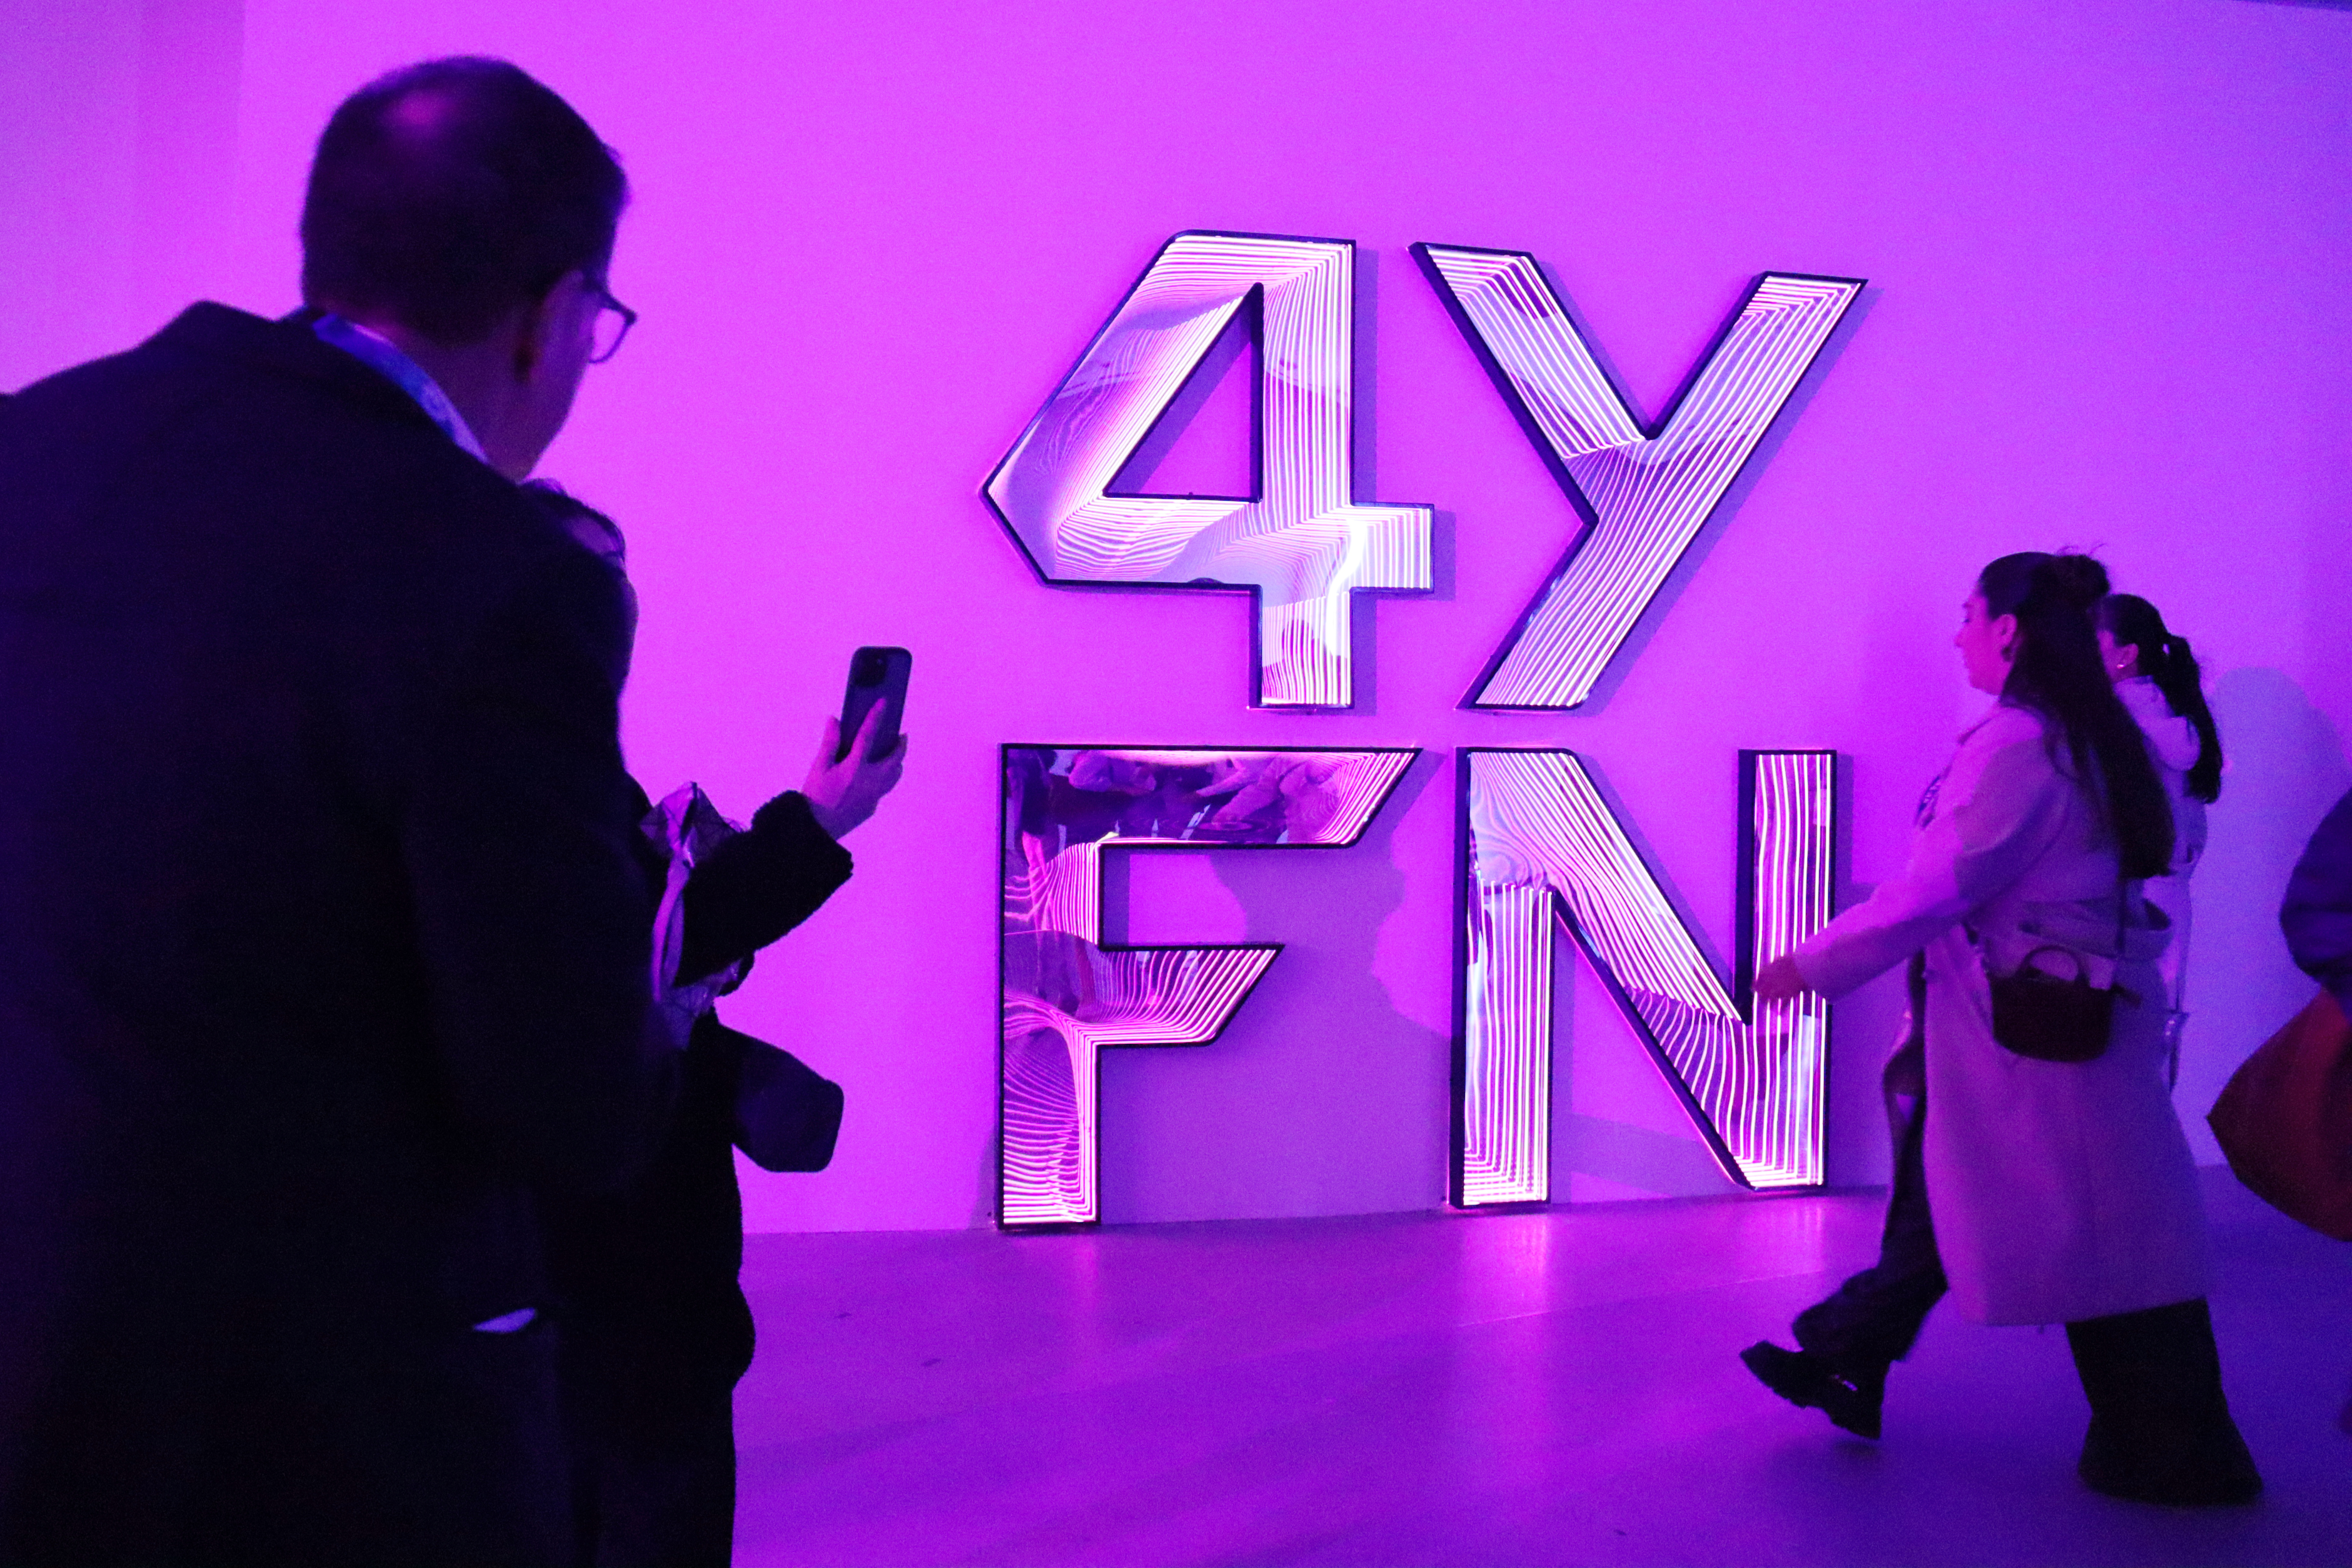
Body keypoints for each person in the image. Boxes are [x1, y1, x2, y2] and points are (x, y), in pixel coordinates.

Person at [1, 58, 673, 1566]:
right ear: (550, 314)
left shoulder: (28, 449)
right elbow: (561, 1092)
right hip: (301, 1415)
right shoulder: (500, 578)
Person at [1739, 552, 2261, 1507]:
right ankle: (1852, 1354)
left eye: (1967, 615)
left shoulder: (2022, 743)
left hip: (2026, 1031)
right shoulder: (2082, 735)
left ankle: (2173, 1450)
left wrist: (1809, 964)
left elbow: (1937, 887)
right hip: (2048, 1023)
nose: (1956, 634)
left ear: (2009, 629)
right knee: (2063, 1217)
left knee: (2084, 1228)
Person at [522, 483, 905, 1568]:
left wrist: (815, 814)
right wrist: (821, 819)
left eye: (618, 574)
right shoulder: (501, 778)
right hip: (584, 1284)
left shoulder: (568, 766)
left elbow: (665, 934)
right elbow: (644, 941)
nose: (615, 603)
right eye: (587, 576)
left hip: (642, 1294)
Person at [2094, 591, 2224, 1050]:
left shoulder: (2112, 720)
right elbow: (2191, 830)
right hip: (2167, 896)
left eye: (2093, 639)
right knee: (2154, 1040)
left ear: (2125, 655)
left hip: (2122, 900)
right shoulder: (2173, 716)